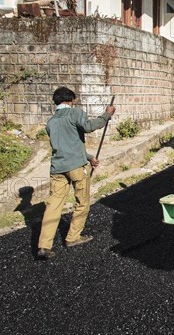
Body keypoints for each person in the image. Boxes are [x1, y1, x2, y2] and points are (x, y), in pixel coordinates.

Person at [37, 87, 116, 259]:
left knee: (53, 206)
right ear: (71, 100)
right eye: (74, 100)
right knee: (82, 202)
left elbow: (65, 145)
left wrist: (88, 157)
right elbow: (89, 127)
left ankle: (44, 245)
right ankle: (72, 237)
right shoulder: (75, 113)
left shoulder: (51, 122)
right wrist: (106, 115)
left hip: (57, 169)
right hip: (76, 168)